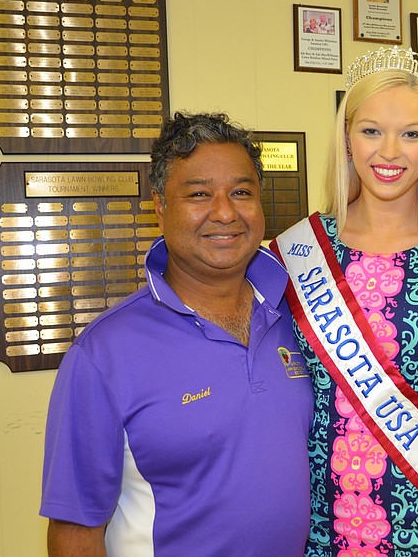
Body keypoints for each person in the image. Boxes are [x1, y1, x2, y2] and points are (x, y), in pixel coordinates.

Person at [39, 112, 314, 557]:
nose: (225, 212)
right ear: (160, 208)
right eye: (199, 194)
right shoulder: (103, 354)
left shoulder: (298, 318)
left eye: (241, 192)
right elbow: (76, 530)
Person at [271, 47, 418, 556]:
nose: (389, 152)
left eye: (411, 133)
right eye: (371, 130)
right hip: (326, 516)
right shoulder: (297, 252)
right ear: (346, 138)